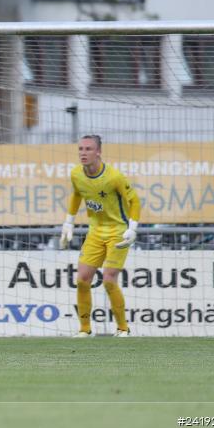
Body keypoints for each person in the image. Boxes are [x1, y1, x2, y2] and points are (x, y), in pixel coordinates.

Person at [59, 134, 141, 337]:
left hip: (117, 232)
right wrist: (69, 221)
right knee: (82, 280)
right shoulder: (76, 174)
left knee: (108, 280)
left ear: (98, 152)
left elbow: (135, 201)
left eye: (88, 149)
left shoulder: (114, 177)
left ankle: (123, 329)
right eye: (80, 149)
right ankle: (85, 330)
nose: (83, 153)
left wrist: (132, 227)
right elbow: (77, 193)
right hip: (95, 231)